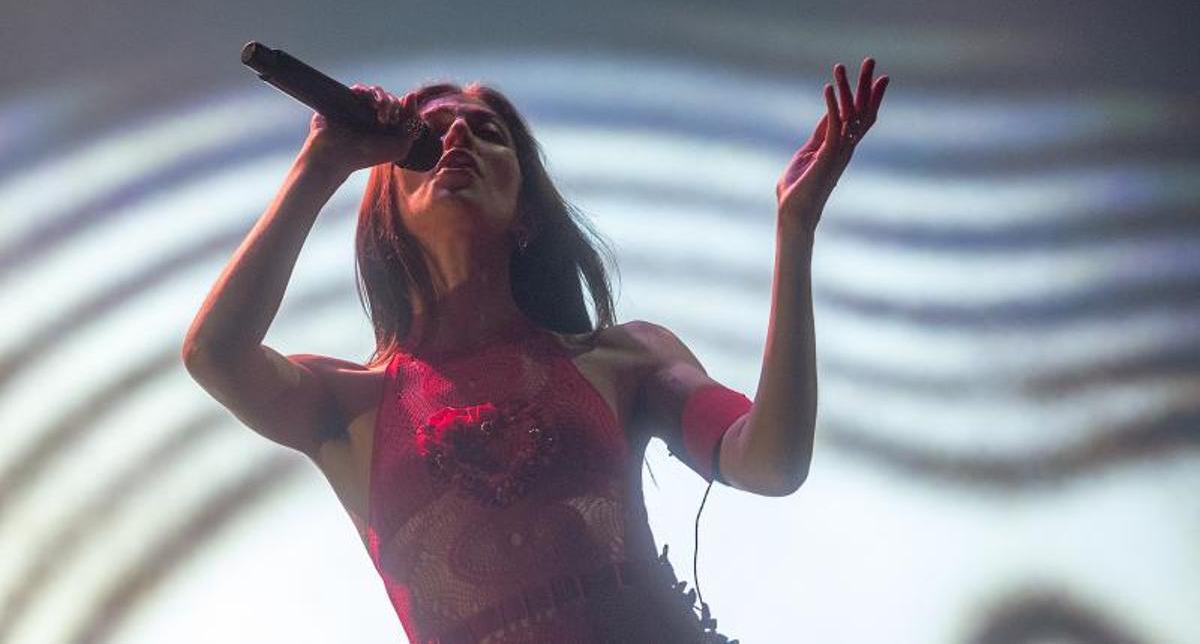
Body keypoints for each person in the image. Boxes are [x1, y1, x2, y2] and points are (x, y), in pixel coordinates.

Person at [182, 59, 887, 643]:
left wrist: (796, 229)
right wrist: (323, 161)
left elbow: (770, 460)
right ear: (386, 210)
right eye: (430, 134)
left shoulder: (623, 358)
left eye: (486, 132)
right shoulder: (347, 403)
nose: (457, 135)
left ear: (525, 210)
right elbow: (215, 352)